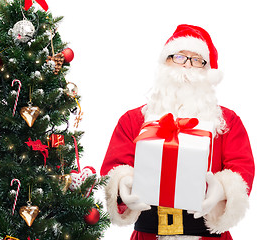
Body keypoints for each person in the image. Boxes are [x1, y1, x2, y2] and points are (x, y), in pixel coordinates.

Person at [100, 24, 255, 240]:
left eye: (197, 60)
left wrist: (221, 189)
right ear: (165, 62)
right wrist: (122, 183)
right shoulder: (133, 120)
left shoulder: (227, 122)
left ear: (208, 71)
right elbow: (113, 167)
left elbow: (242, 169)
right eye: (179, 57)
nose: (187, 66)